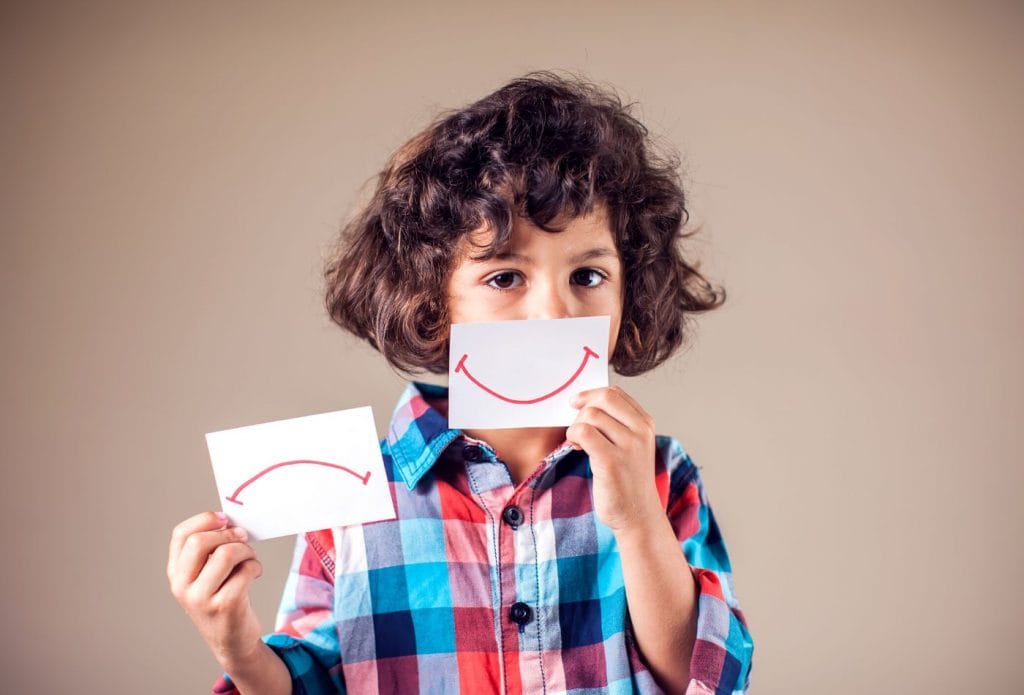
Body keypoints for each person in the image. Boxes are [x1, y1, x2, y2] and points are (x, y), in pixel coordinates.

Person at [167, 70, 754, 694]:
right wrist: (236, 646)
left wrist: (637, 517)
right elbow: (315, 680)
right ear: (432, 301)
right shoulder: (357, 490)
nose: (553, 313)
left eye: (587, 276)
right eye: (505, 278)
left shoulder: (661, 475)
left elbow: (709, 680)